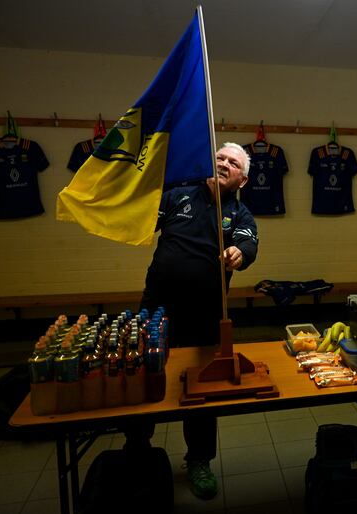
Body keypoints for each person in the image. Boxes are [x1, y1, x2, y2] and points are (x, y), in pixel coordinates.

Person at [132, 142, 258, 499]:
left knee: (203, 391)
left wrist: (239, 252)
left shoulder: (241, 215)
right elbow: (142, 221)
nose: (223, 163)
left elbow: (249, 246)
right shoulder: (177, 197)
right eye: (219, 157)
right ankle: (137, 448)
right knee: (146, 379)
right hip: (156, 310)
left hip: (204, 319)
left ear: (242, 179)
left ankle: (199, 460)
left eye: (232, 162)